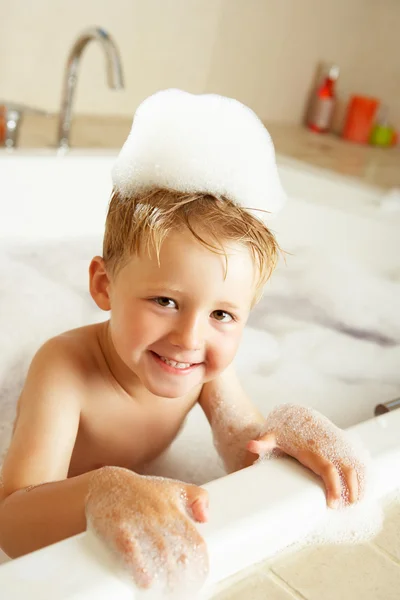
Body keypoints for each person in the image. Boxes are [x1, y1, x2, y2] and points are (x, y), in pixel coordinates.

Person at [0, 90, 365, 593]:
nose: (189, 338)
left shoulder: (202, 367)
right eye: (165, 302)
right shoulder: (65, 369)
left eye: (222, 314)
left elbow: (244, 446)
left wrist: (286, 429)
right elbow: (13, 515)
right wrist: (100, 490)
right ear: (104, 286)